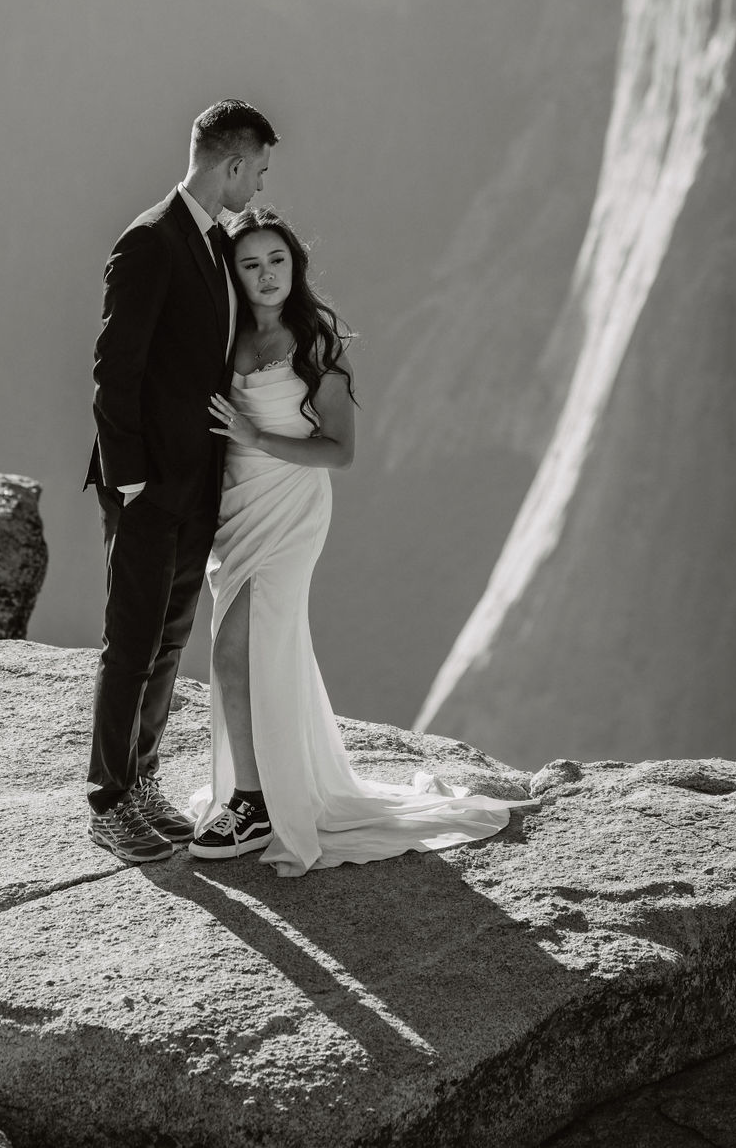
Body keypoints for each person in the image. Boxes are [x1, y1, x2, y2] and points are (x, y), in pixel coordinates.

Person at [188, 207, 530, 876]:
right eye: (251, 264)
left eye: (277, 261)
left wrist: (258, 439)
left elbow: (340, 450)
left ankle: (255, 799)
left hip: (291, 508)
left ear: (296, 264)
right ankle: (263, 788)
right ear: (235, 272)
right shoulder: (224, 335)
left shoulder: (316, 340)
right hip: (233, 510)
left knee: (238, 648)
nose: (266, 275)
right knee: (247, 649)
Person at [84, 99, 279, 863]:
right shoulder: (150, 240)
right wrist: (127, 479)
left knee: (167, 640)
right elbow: (114, 370)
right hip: (147, 486)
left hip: (196, 483)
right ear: (231, 163)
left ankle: (142, 783)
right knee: (129, 641)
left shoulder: (215, 242)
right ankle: (107, 802)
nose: (260, 185)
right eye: (257, 169)